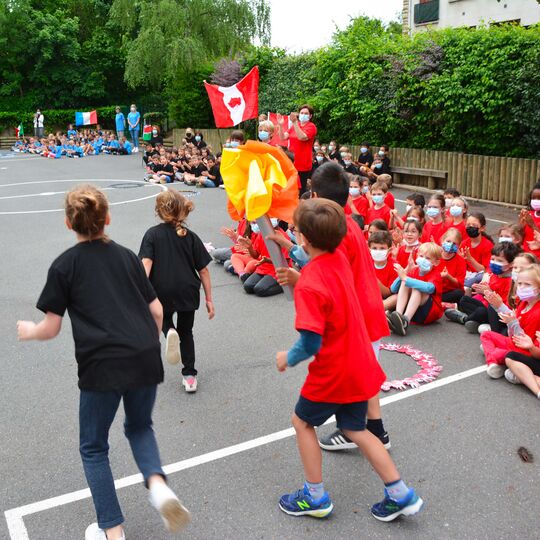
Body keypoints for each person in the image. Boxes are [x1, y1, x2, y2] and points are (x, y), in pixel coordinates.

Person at [16, 185, 190, 540]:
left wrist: (29, 331)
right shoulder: (127, 256)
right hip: (143, 355)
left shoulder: (65, 265)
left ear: (69, 223)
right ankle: (158, 486)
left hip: (102, 364)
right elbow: (156, 310)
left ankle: (112, 528)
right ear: (107, 218)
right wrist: (148, 344)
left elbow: (51, 328)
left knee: (94, 446)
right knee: (139, 427)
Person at [276, 198, 423, 522]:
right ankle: (400, 493)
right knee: (356, 429)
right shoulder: (340, 259)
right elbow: (315, 263)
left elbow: (311, 340)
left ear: (304, 237)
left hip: (334, 371)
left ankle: (314, 496)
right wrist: (290, 250)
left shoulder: (310, 285)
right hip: (361, 365)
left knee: (302, 422)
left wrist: (288, 356)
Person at [139, 190, 214, 393]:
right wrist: (208, 299)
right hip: (188, 289)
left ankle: (168, 330)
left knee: (161, 315)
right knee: (187, 332)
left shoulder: (152, 235)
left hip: (161, 289)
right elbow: (204, 270)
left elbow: (146, 263)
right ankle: (189, 376)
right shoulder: (190, 236)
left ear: (159, 212)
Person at [481, 265, 540, 381]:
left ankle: (494, 361)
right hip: (513, 342)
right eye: (520, 284)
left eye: (527, 284)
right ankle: (496, 363)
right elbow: (512, 332)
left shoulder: (537, 312)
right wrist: (500, 308)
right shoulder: (524, 303)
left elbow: (524, 340)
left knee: (496, 353)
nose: (522, 287)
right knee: (486, 335)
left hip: (525, 350)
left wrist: (513, 323)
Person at [446, 242, 521, 333]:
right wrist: (480, 289)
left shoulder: (510, 282)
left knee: (483, 310)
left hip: (498, 314)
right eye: (493, 259)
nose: (494, 263)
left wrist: (489, 292)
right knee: (464, 300)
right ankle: (478, 321)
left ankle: (465, 319)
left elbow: (505, 306)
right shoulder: (495, 275)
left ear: (511, 264)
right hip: (486, 305)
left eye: (500, 261)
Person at [388, 242, 444, 336]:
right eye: (421, 256)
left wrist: (406, 278)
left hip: (428, 313)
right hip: (414, 310)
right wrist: (406, 271)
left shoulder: (436, 274)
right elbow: (393, 289)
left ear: (436, 262)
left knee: (416, 287)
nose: (423, 260)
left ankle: (405, 321)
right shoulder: (414, 270)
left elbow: (429, 288)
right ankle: (398, 315)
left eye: (427, 258)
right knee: (405, 282)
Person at [277, 105, 317, 195]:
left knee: (301, 189)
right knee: (290, 186)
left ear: (310, 116)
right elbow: (282, 137)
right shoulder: (295, 125)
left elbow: (302, 137)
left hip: (303, 163)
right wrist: (280, 124)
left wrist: (295, 122)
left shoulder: (311, 126)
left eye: (306, 113)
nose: (303, 115)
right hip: (291, 161)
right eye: (302, 113)